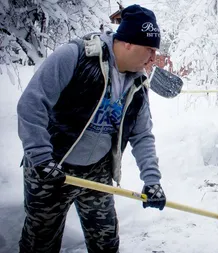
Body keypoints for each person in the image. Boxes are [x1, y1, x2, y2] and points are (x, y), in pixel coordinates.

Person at [17, 5, 166, 253]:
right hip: (52, 166)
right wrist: (41, 157)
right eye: (149, 49)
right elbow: (32, 104)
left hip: (96, 171)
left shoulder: (138, 82)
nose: (153, 58)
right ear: (128, 42)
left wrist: (152, 181)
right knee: (40, 244)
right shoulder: (76, 56)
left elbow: (142, 134)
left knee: (106, 242)